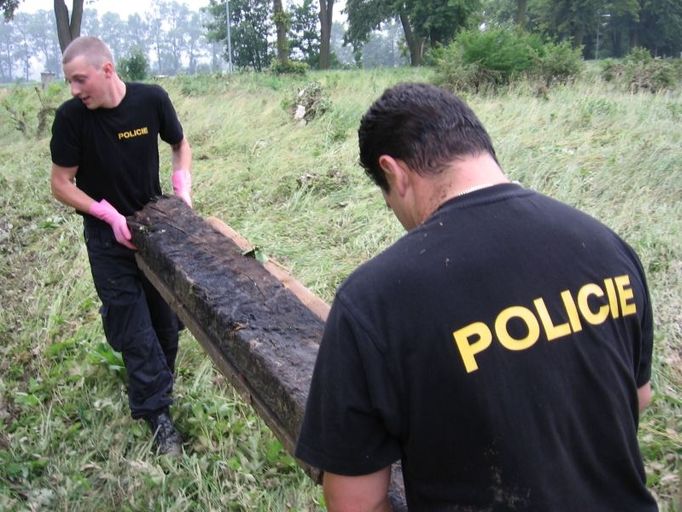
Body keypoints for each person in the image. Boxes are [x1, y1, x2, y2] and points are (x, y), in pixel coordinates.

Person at [295, 82, 657, 511]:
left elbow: (356, 503)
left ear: (394, 172)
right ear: (478, 145)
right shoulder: (606, 247)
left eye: (387, 199)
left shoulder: (372, 301)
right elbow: (639, 395)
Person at [50, 36, 193, 455]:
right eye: (70, 83)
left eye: (80, 80)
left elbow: (179, 145)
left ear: (107, 70)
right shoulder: (71, 118)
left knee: (165, 322)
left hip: (153, 229)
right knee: (133, 327)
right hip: (107, 237)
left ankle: (158, 383)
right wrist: (107, 215)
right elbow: (61, 184)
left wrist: (182, 187)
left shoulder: (151, 100)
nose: (75, 90)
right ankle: (157, 415)